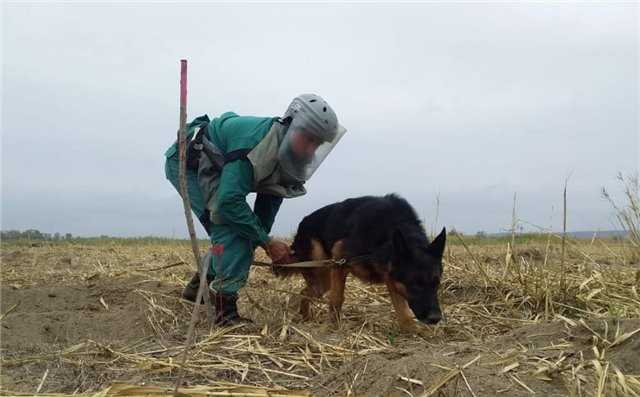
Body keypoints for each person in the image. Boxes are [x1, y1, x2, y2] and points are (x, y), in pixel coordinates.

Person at [164, 93, 346, 325]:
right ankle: (225, 313)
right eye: (308, 139)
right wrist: (267, 241)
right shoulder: (255, 143)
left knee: (247, 236)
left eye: (317, 143)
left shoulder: (292, 156)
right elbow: (228, 202)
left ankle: (196, 288)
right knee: (232, 233)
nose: (311, 148)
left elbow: (269, 204)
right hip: (190, 161)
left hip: (220, 167)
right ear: (291, 125)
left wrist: (261, 240)